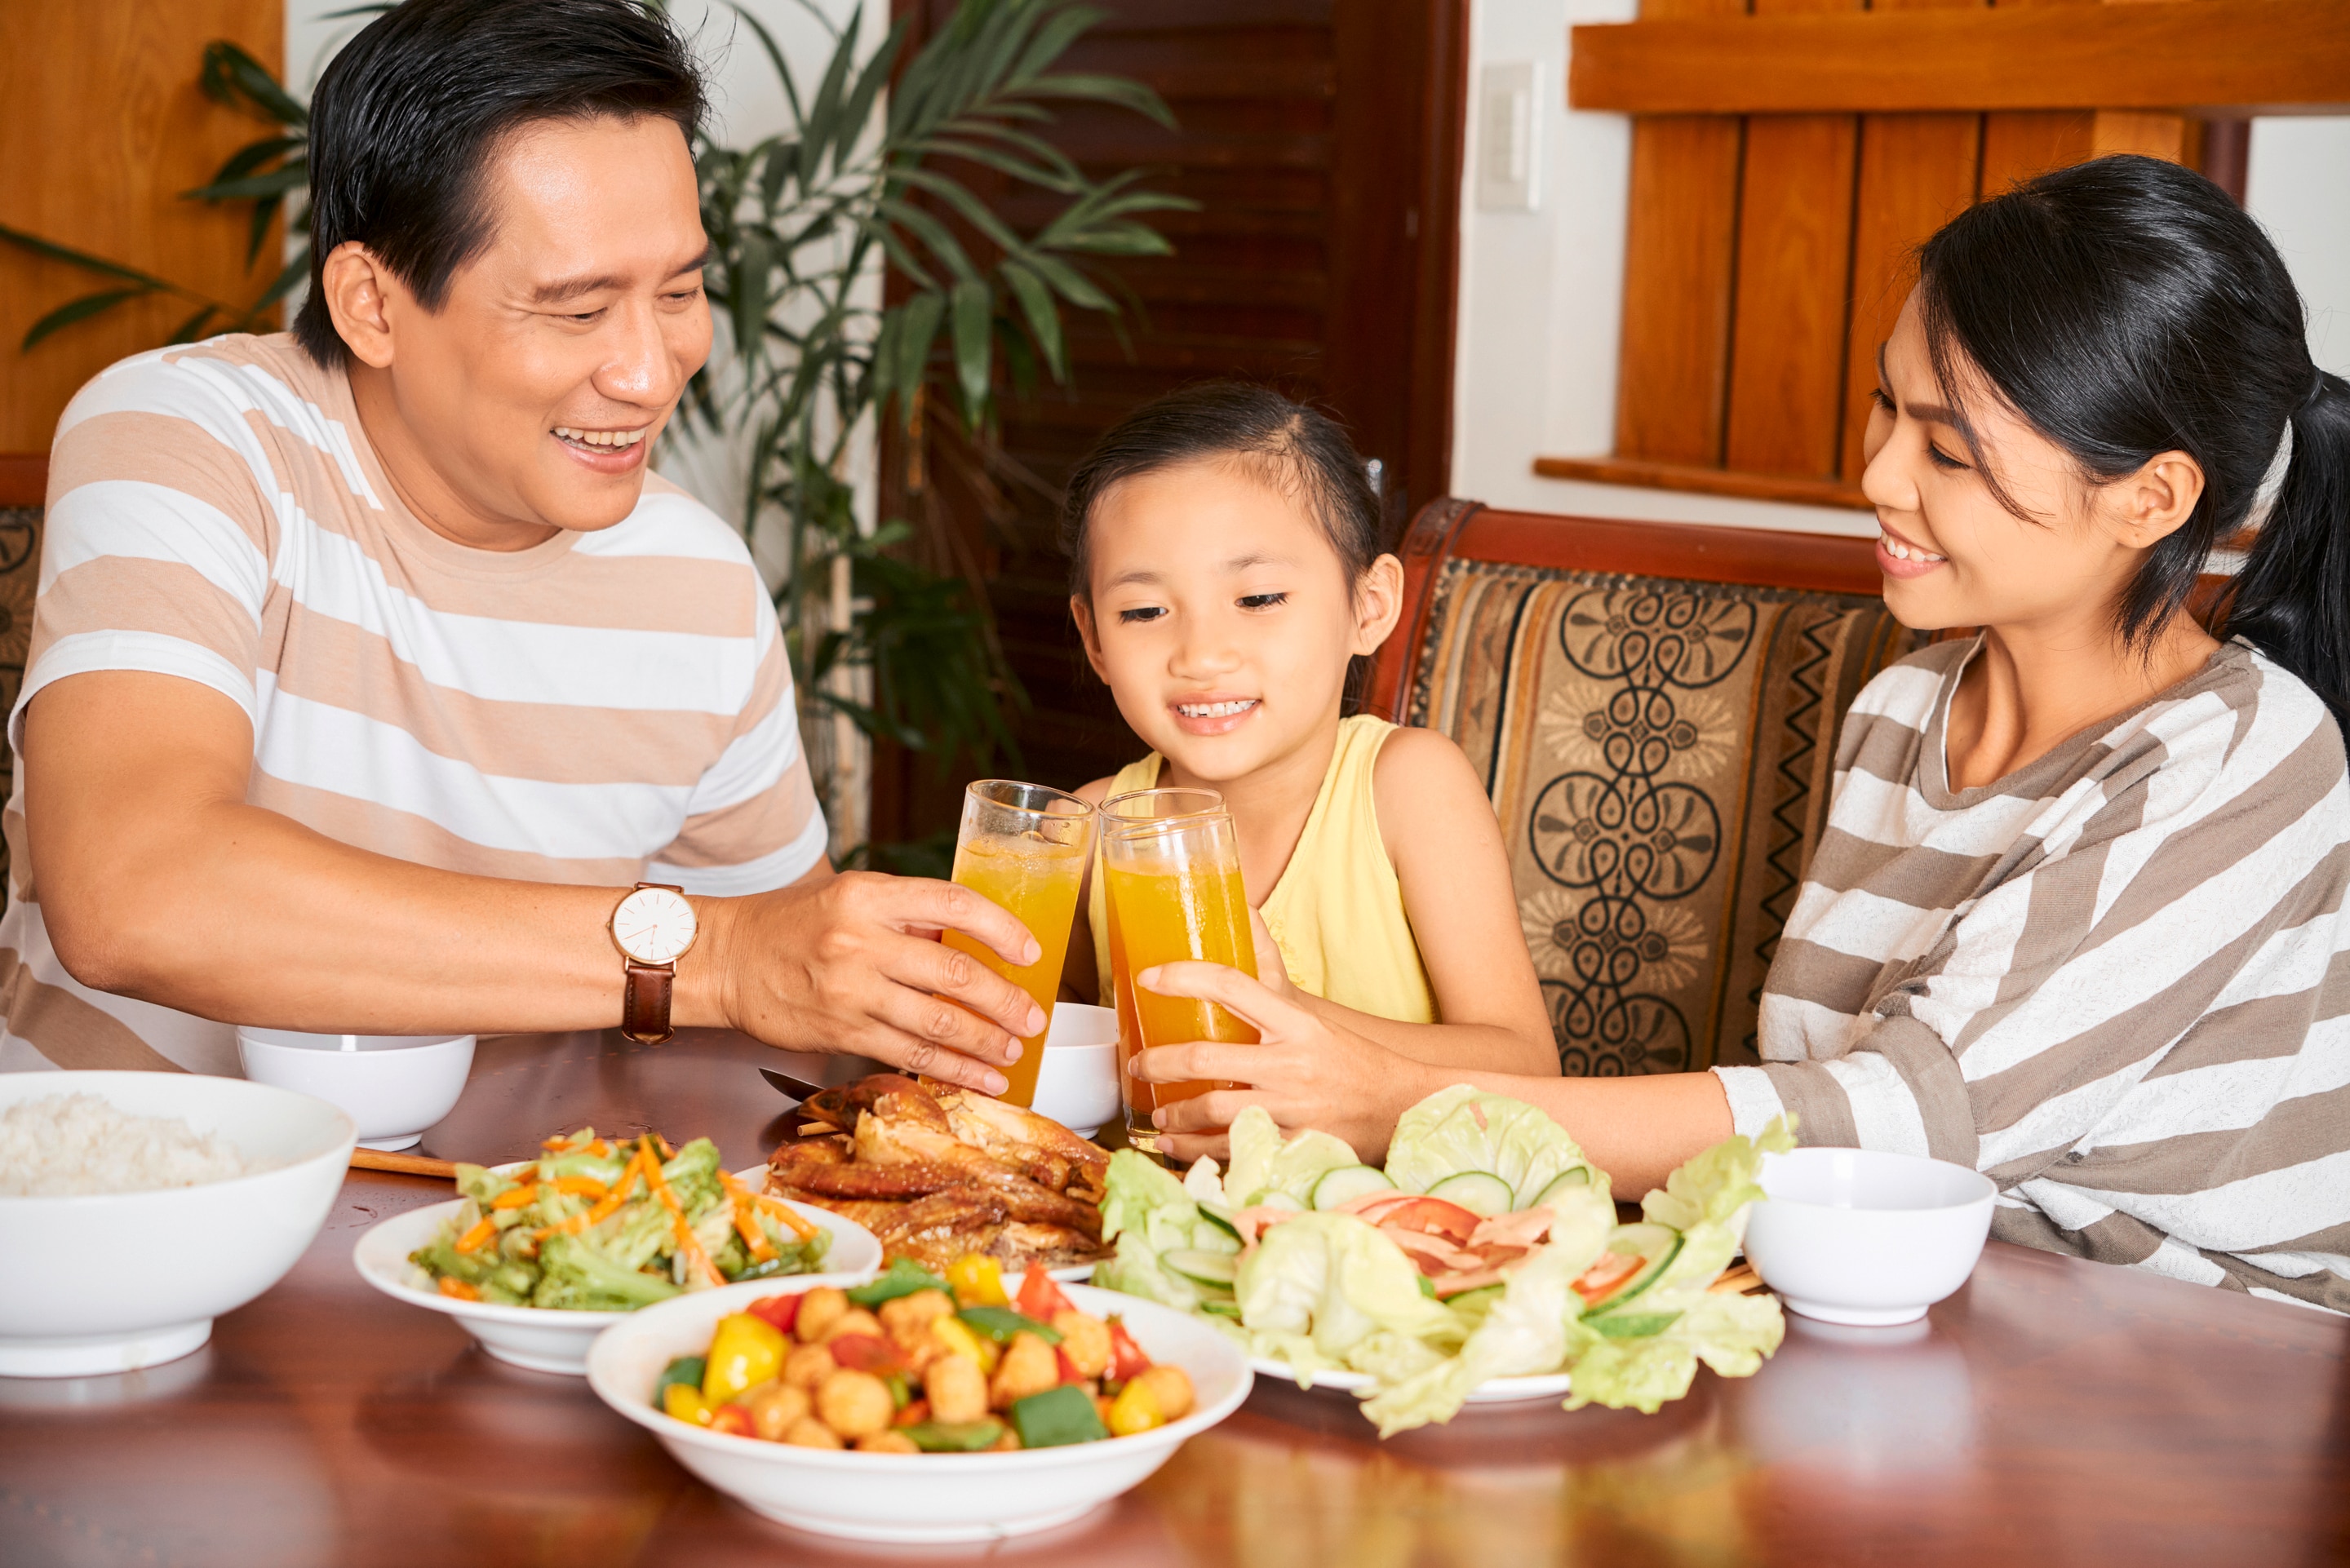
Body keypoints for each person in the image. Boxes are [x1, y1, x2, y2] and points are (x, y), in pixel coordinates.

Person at [1128, 157, 2350, 1313]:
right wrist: (1310, 1035)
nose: (1877, 473)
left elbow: (1914, 1120)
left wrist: (1406, 1100)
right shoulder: (1902, 714)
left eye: (1947, 449)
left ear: (2153, 496)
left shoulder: (2244, 757)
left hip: (2196, 1353)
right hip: (1896, 1295)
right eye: (1885, 406)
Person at [1, 0, 1044, 1092]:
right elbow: (135, 891)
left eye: (682, 291)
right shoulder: (192, 438)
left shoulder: (696, 584)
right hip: (139, 1220)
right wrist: (712, 954)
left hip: (516, 1235)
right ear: (370, 303)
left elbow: (780, 994)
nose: (651, 372)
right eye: (579, 310)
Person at [1058, 383, 1557, 1077]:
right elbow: (1051, 1042)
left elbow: (1528, 1067)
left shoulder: (1409, 789)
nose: (1201, 655)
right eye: (1144, 611)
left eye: (1258, 598)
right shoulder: (1090, 830)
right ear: (1095, 640)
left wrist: (1288, 1010)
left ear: (1369, 605)